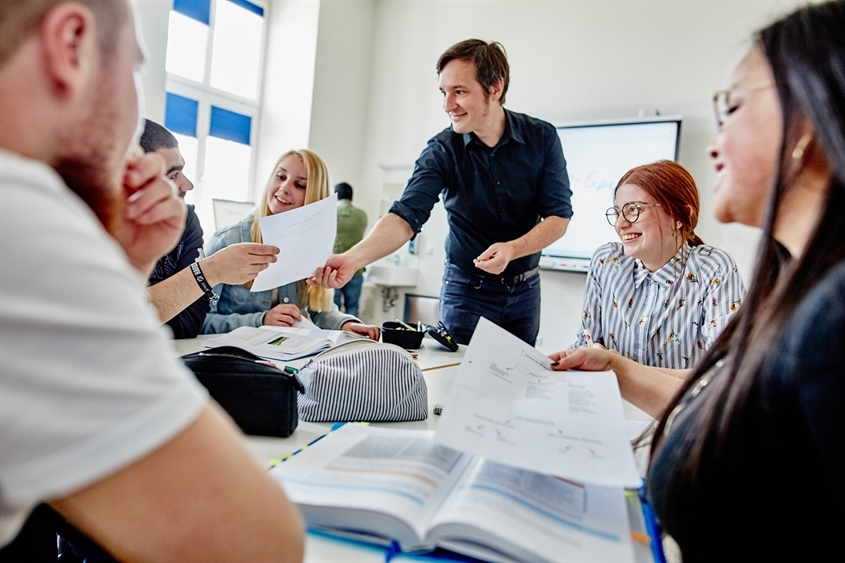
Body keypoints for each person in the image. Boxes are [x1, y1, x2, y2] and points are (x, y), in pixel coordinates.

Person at [0, 1, 304, 560]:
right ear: (71, 45)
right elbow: (255, 543)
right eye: (135, 68)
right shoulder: (18, 216)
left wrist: (130, 269)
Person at [551, 2, 845, 559]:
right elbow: (718, 403)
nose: (715, 142)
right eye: (618, 212)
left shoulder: (832, 316)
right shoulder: (796, 288)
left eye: (732, 106)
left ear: (806, 119)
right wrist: (612, 366)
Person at [310, 39, 573, 346]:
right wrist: (352, 259)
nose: (448, 106)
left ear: (495, 88)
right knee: (457, 383)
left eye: (459, 92)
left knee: (517, 384)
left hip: (525, 291)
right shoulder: (442, 150)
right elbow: (405, 217)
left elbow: (559, 216)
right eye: (444, 93)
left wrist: (512, 249)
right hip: (466, 291)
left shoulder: (541, 138)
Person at [573, 160, 744, 369]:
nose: (620, 224)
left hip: (681, 401)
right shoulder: (606, 262)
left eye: (633, 210)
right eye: (617, 212)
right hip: (612, 399)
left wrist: (623, 372)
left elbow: (726, 368)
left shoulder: (713, 268)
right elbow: (585, 343)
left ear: (679, 216)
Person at [202, 150, 380, 339]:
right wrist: (261, 321)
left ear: (314, 198)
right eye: (280, 176)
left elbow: (318, 310)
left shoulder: (311, 248)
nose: (284, 188)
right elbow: (200, 321)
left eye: (300, 185)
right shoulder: (226, 242)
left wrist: (345, 324)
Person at [141, 119, 280, 338]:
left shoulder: (187, 220)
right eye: (173, 175)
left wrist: (158, 298)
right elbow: (118, 319)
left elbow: (190, 324)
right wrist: (210, 270)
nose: (188, 184)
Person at [332, 182, 368, 317]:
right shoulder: (362, 216)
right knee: (352, 307)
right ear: (352, 197)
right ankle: (354, 335)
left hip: (333, 270)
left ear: (335, 197)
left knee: (333, 310)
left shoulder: (331, 213)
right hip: (357, 269)